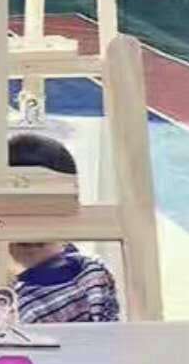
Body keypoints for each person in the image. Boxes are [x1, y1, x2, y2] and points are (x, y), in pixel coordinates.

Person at [7, 133, 120, 324]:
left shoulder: (92, 276)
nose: (34, 221)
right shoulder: (92, 275)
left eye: (44, 206)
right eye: (19, 206)